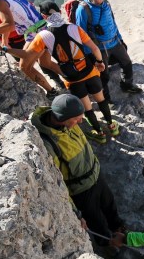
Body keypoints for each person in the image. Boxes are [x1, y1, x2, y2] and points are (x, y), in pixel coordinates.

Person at [0, 9, 119, 144]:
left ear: (44, 16)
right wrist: (100, 62)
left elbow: (26, 55)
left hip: (73, 79)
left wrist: (3, 48)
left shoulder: (43, 36)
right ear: (59, 12)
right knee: (101, 100)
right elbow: (95, 48)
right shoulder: (74, 28)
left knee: (88, 108)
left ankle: (100, 134)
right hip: (89, 71)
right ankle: (112, 127)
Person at [31, 94, 124, 245]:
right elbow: (57, 181)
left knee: (109, 205)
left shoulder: (69, 123)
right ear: (62, 118)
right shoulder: (47, 142)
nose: (80, 122)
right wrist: (75, 212)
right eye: (77, 119)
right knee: (96, 221)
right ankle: (107, 244)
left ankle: (118, 228)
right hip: (81, 191)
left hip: (96, 175)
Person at [73, 0, 141, 102]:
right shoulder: (83, 10)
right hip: (99, 47)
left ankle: (127, 85)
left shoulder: (107, 4)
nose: (98, 0)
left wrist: (120, 39)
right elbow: (82, 33)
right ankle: (106, 99)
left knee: (127, 63)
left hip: (114, 42)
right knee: (103, 74)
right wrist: (89, 53)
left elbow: (112, 23)